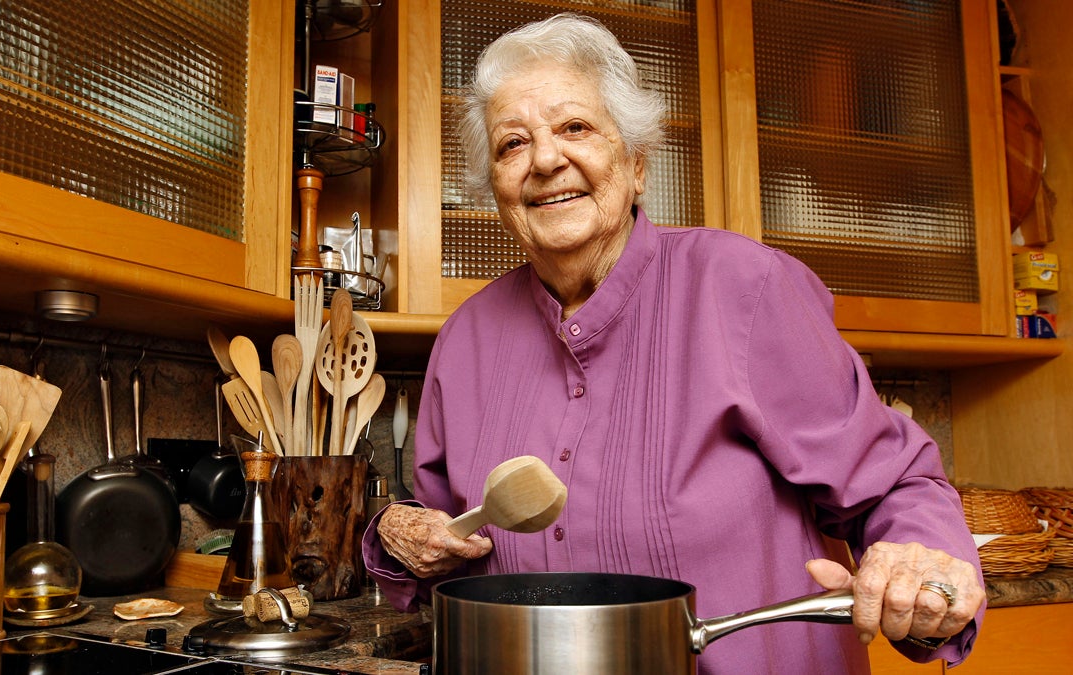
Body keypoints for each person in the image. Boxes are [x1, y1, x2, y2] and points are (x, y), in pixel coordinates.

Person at [362, 12, 985, 673]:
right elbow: (439, 533)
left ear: (635, 161)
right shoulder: (467, 340)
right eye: (512, 144)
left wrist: (919, 569)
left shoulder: (744, 289)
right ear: (495, 190)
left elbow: (894, 484)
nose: (546, 159)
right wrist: (396, 533)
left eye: (575, 127)